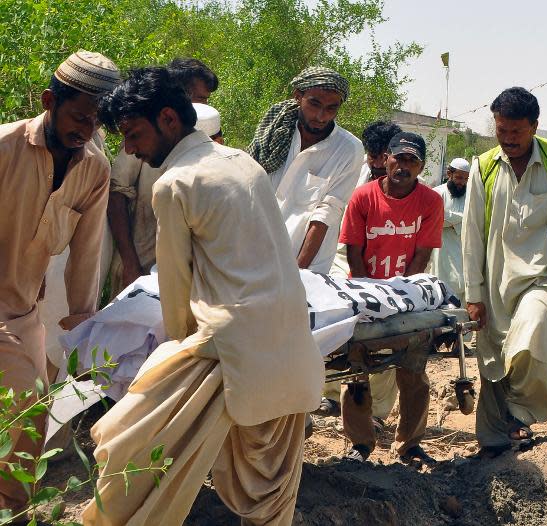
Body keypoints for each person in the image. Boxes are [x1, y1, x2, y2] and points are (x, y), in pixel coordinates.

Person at [81, 67, 323, 525]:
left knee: (125, 449)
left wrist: (170, 365)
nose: (129, 149)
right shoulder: (243, 162)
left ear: (168, 119)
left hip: (228, 350)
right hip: (293, 345)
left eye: (132, 135)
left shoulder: (175, 185)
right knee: (266, 490)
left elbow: (176, 293)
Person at [0, 49, 119, 516]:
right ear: (50, 100)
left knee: (34, 423)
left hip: (26, 311)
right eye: (78, 117)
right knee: (28, 416)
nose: (86, 131)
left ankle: (12, 508)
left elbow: (86, 254)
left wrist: (84, 323)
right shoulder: (6, 148)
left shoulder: (94, 168)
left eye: (95, 122)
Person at [462, 87, 547, 457]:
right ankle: (494, 444)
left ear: (535, 127)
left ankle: (520, 414)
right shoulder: (483, 167)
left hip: (543, 277)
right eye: (501, 131)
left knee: (530, 336)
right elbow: (472, 235)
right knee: (493, 361)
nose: (507, 141)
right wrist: (473, 295)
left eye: (516, 133)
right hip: (494, 282)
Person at [338, 131, 443, 464]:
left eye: (412, 161)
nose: (403, 167)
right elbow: (354, 251)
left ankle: (409, 444)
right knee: (355, 371)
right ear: (386, 159)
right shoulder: (363, 197)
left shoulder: (430, 202)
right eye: (398, 159)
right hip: (364, 289)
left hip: (407, 292)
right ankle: (360, 443)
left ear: (421, 166)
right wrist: (370, 293)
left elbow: (422, 255)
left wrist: (401, 295)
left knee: (413, 370)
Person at [107, 58, 219, 291]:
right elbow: (116, 195)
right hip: (138, 266)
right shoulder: (142, 138)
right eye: (199, 98)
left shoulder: (203, 138)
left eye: (206, 99)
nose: (203, 105)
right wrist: (130, 264)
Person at [320, 121, 403, 428]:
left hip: (389, 268)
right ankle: (328, 394)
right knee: (332, 322)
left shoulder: (406, 188)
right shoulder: (353, 176)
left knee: (388, 334)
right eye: (373, 155)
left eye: (384, 155)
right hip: (345, 260)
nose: (378, 162)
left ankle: (377, 412)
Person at [247, 66, 363, 273]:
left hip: (306, 264)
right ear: (298, 96)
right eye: (314, 104)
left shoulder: (349, 149)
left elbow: (326, 214)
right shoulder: (275, 133)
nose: (321, 116)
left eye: (331, 108)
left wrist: (297, 273)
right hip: (254, 251)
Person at [430, 157, 470, 306]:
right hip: (440, 251)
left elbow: (474, 219)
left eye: (466, 178)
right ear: (449, 173)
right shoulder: (436, 194)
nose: (462, 182)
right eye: (459, 177)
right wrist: (463, 219)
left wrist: (450, 220)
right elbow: (435, 220)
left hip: (463, 252)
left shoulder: (471, 195)